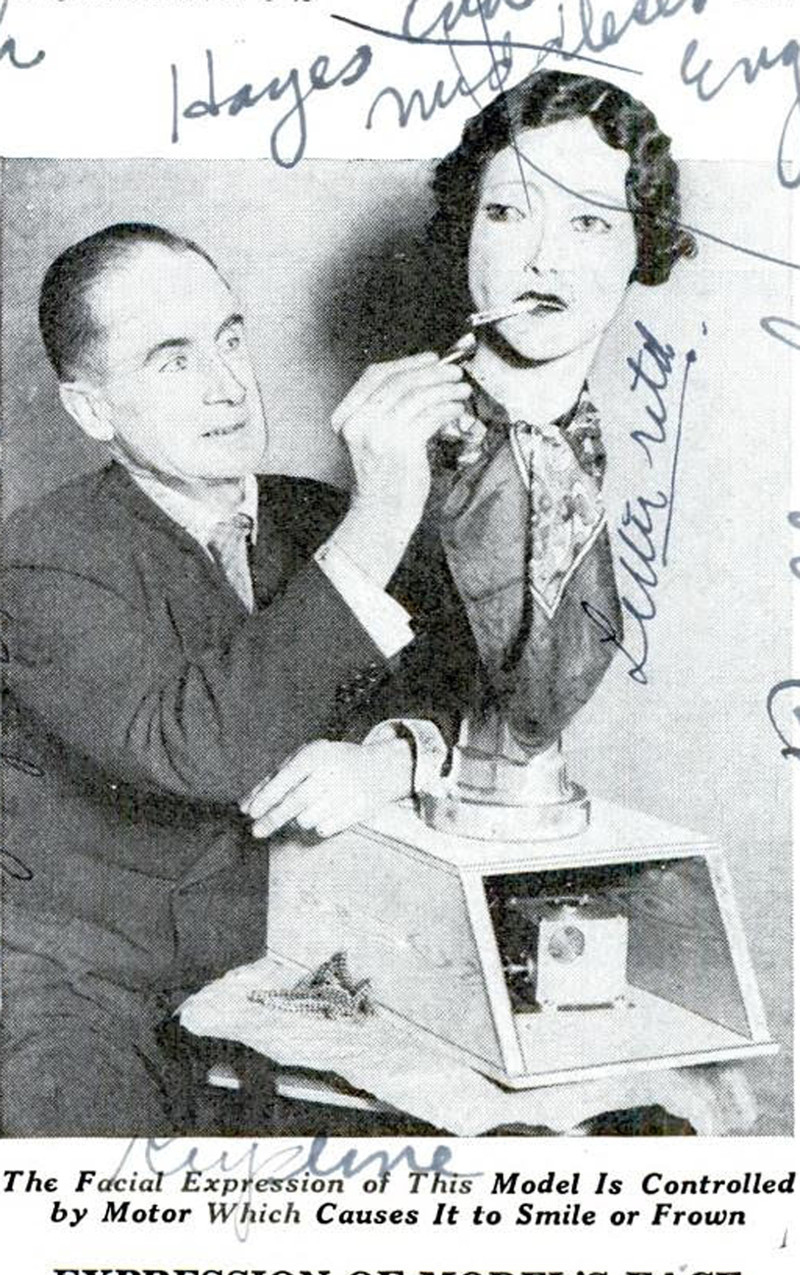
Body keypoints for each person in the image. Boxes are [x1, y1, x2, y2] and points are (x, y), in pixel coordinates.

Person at [0, 222, 471, 1135]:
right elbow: (194, 743)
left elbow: (460, 683)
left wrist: (394, 758)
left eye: (229, 338)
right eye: (173, 360)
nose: (228, 385)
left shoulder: (317, 516)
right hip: (94, 1004)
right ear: (92, 411)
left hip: (304, 989)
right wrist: (379, 522)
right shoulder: (41, 560)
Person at [244, 70, 696, 840]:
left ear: (639, 249)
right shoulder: (400, 452)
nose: (545, 258)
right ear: (467, 232)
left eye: (590, 222)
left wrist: (400, 759)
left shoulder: (579, 456)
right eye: (508, 212)